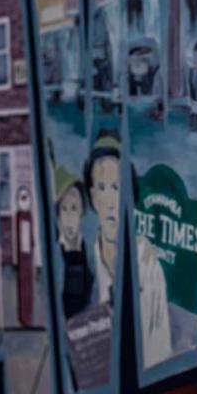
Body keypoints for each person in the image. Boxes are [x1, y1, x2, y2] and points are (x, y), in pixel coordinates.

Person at [83, 129, 122, 306]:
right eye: (101, 187)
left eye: (116, 187)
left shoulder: (145, 265)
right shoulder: (87, 262)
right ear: (93, 196)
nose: (110, 202)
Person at [57, 180, 91, 320]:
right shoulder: (55, 250)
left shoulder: (89, 249)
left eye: (74, 208)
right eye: (64, 209)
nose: (69, 217)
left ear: (82, 211)